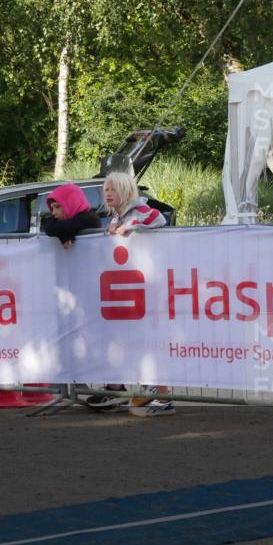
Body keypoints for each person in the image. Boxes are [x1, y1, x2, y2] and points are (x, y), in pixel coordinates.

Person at [89, 171, 174, 416]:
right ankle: (120, 389)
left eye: (112, 189)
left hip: (145, 287)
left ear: (125, 191)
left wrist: (131, 226)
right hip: (125, 287)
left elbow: (159, 219)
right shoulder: (115, 215)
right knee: (125, 339)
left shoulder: (139, 209)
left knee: (149, 340)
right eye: (106, 189)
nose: (107, 193)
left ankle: (163, 395)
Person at [42, 183, 101, 248]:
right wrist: (65, 235)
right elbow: (49, 226)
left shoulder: (89, 219)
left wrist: (63, 234)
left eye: (57, 206)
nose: (53, 213)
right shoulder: (69, 221)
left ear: (72, 203)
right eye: (52, 208)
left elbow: (55, 228)